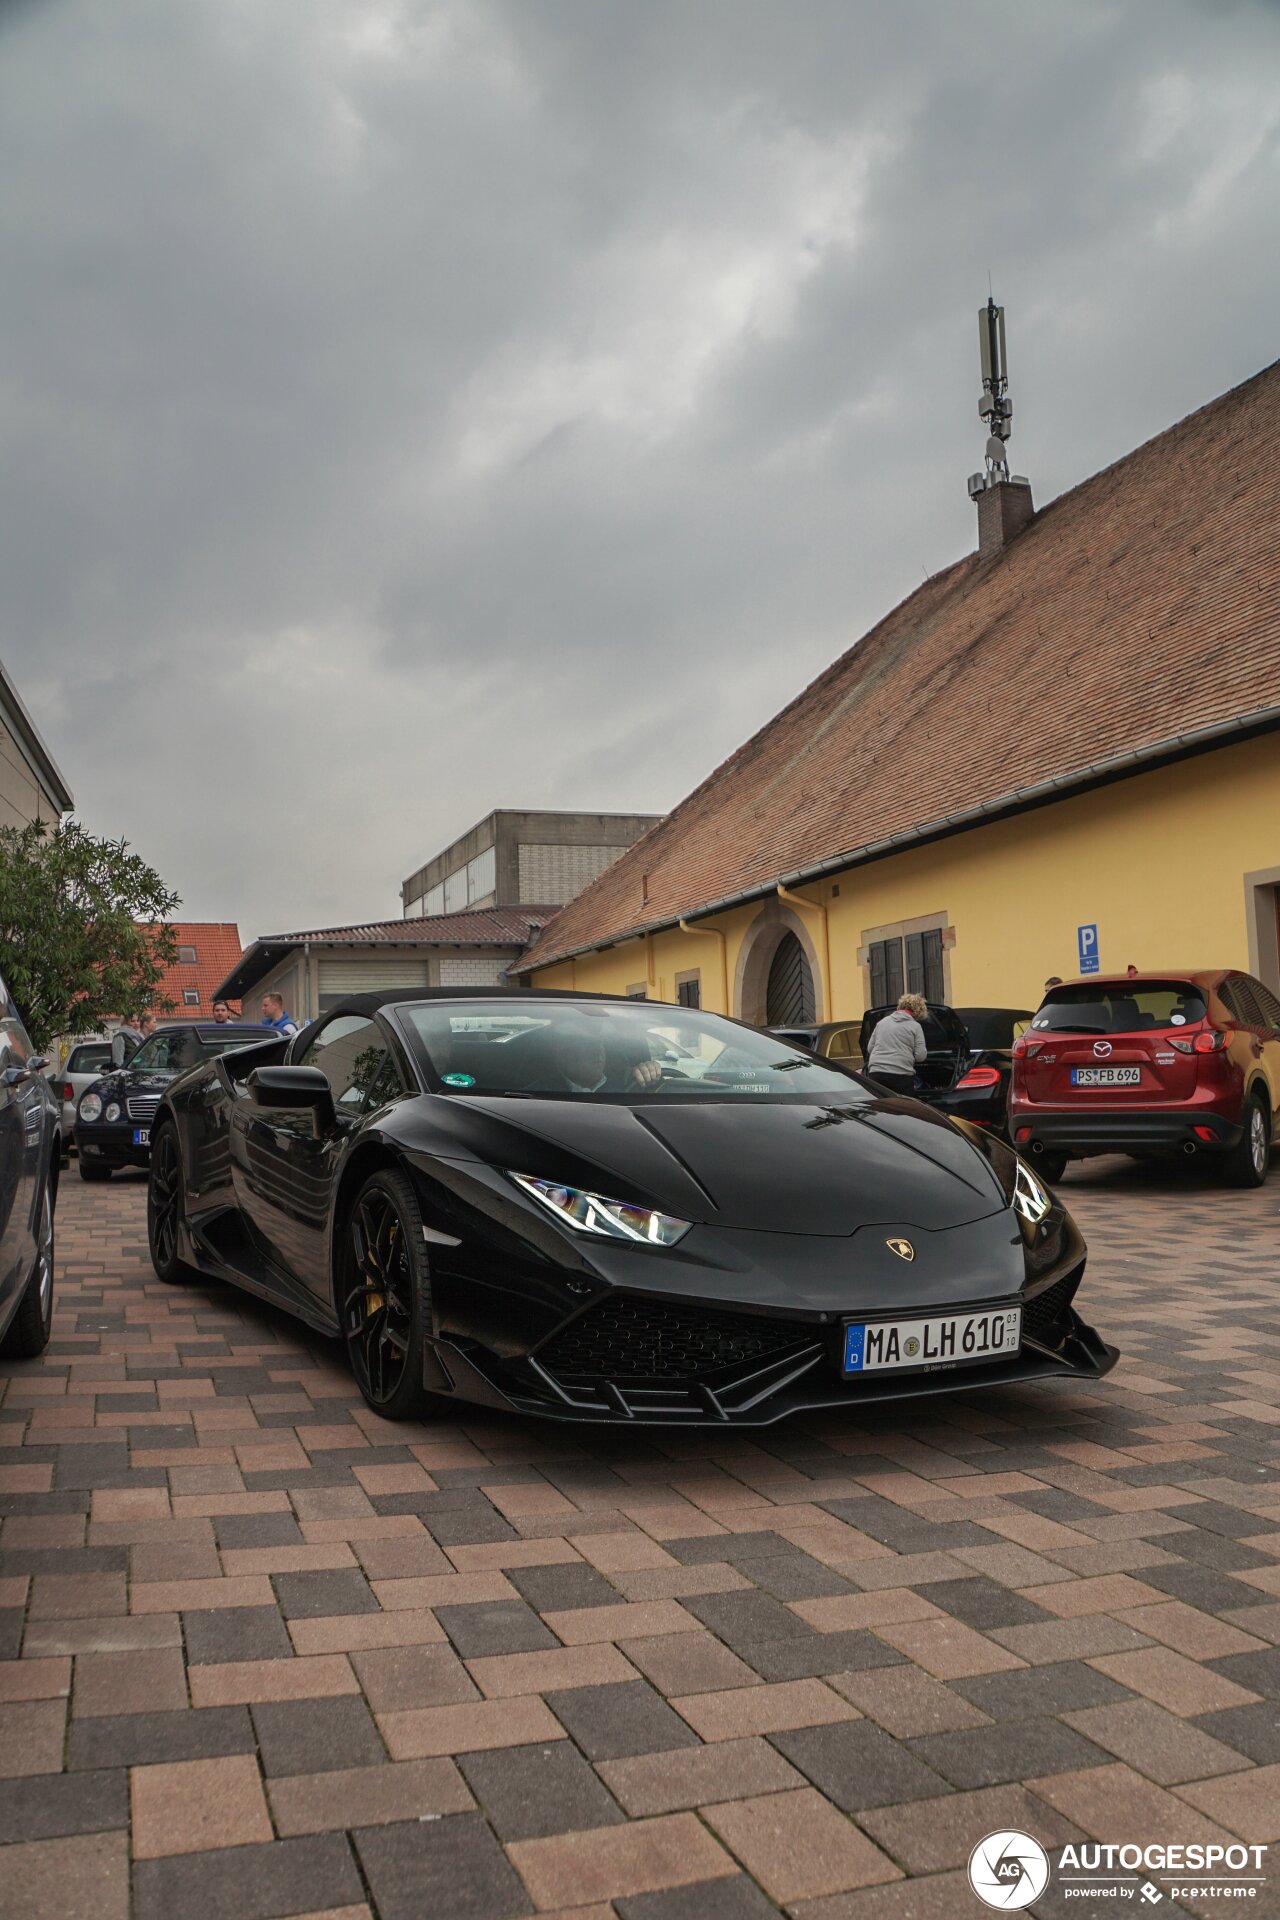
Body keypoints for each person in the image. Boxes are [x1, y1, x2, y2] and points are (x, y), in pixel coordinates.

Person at [545, 1019, 663, 1094]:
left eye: (600, 1043)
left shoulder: (628, 1080)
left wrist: (650, 1071)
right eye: (588, 1044)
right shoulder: (540, 1094)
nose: (598, 1051)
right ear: (563, 1054)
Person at [865, 992, 927, 1097]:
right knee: (903, 1109)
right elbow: (920, 1056)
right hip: (901, 1075)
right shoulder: (915, 1026)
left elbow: (870, 1048)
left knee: (881, 1108)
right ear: (918, 1012)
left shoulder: (881, 1022)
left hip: (876, 1074)